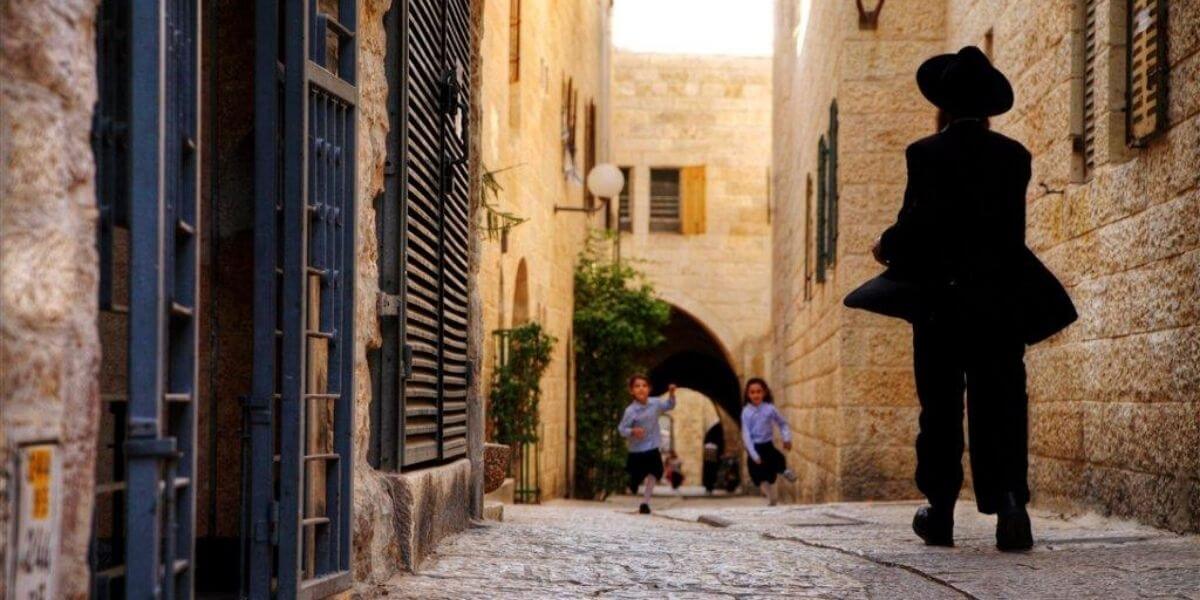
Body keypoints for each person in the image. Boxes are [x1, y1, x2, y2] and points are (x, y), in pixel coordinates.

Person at [871, 46, 1055, 551]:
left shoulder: (924, 154)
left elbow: (916, 228)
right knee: (1002, 403)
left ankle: (942, 512)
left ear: (943, 104)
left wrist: (884, 246)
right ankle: (1011, 506)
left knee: (941, 407)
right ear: (990, 106)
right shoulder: (1014, 157)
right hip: (1001, 303)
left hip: (940, 304)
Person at [617, 375, 677, 514]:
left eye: (644, 385)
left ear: (649, 389)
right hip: (636, 450)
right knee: (635, 478)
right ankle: (633, 482)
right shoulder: (630, 411)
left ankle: (645, 503)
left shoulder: (655, 403)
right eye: (637, 386)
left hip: (652, 445)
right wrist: (633, 431)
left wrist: (672, 393)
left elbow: (670, 405)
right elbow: (621, 430)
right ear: (632, 391)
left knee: (655, 471)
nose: (641, 389)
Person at [740, 378, 797, 506]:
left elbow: (782, 424)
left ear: (764, 392)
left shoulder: (770, 409)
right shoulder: (746, 412)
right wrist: (753, 454)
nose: (756, 395)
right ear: (748, 394)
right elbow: (746, 434)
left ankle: (784, 471)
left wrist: (786, 438)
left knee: (776, 462)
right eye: (752, 392)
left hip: (767, 444)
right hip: (754, 446)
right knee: (759, 475)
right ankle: (772, 498)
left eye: (758, 391)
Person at [701, 422, 725, 494]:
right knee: (711, 472)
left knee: (708, 472)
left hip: (709, 461)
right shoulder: (715, 445)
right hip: (713, 461)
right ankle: (710, 487)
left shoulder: (707, 445)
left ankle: (708, 487)